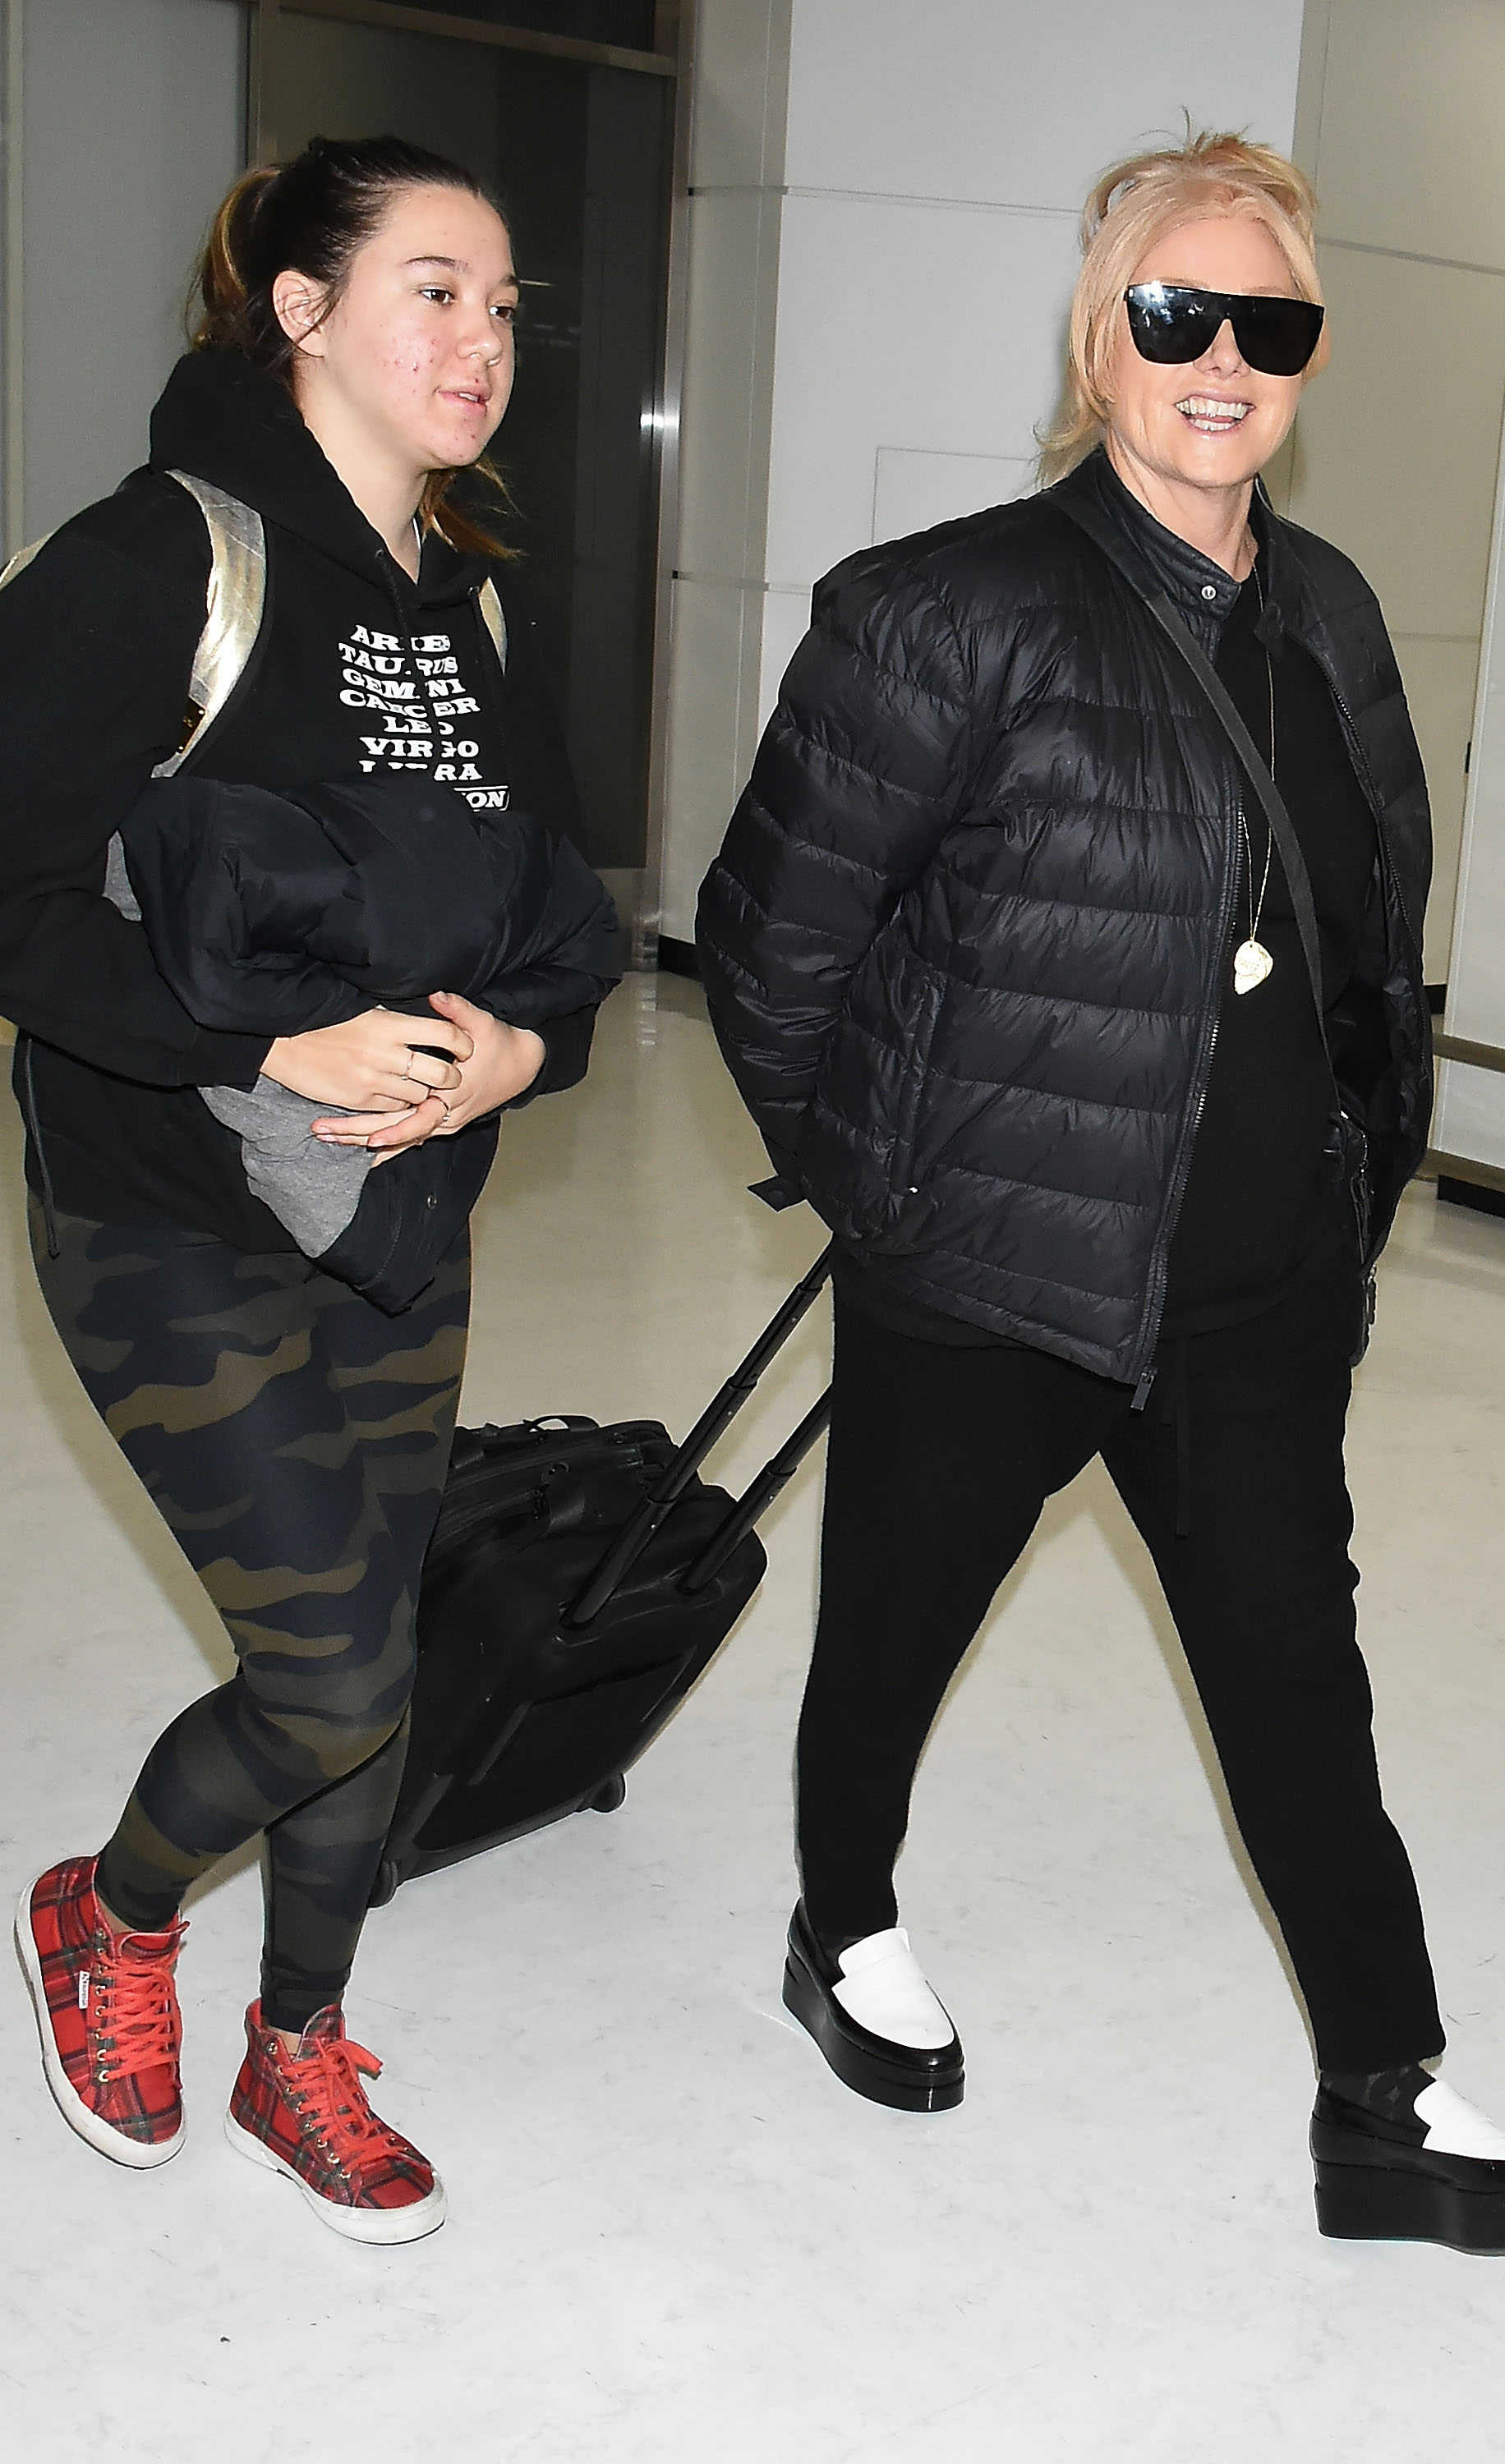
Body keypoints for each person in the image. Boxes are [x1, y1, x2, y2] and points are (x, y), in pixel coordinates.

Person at [697, 131, 1505, 2255]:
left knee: (1298, 1678)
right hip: (984, 1274)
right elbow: (767, 944)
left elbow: (1377, 922)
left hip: (1246, 1296)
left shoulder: (1334, 616)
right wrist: (887, 1196)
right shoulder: (944, 612)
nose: (1217, 360)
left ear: (1300, 356)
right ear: (1101, 343)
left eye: (1261, 324)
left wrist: (1341, 1190)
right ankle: (840, 1927)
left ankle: (1377, 2096)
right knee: (892, 1631)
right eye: (1172, 315)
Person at [2, 136, 618, 2243]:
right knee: (332, 1673)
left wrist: (524, 1047)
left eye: (506, 304)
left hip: (392, 1216)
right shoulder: (151, 558)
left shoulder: (469, 609)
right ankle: (113, 1909)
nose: (484, 341)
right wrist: (263, 1042)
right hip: (164, 1195)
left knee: (378, 1645)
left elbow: (558, 911)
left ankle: (302, 2039)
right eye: (436, 289)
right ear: (300, 311)